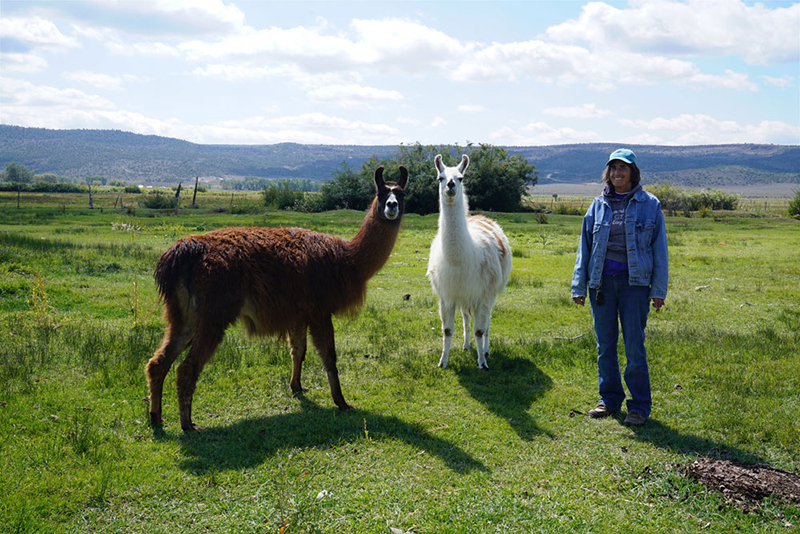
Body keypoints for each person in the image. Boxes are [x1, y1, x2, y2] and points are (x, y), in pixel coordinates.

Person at [571, 148, 668, 427]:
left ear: (633, 172)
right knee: (605, 346)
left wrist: (658, 290)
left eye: (623, 168)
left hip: (634, 286)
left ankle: (638, 406)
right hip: (601, 285)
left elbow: (659, 249)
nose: (617, 173)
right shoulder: (596, 205)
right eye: (613, 168)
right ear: (608, 172)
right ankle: (610, 400)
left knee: (635, 346)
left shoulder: (651, 204)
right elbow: (584, 248)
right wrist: (579, 285)